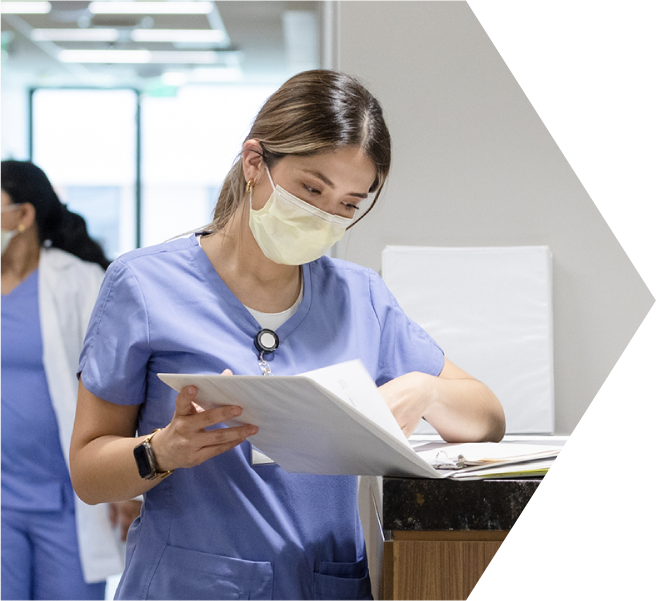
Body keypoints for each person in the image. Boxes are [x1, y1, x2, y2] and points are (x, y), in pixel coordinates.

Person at [70, 70, 506, 601]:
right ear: (256, 163)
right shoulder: (142, 285)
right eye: (311, 188)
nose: (325, 214)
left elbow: (488, 417)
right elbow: (89, 474)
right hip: (187, 585)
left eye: (348, 203)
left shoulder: (360, 297)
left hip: (325, 584)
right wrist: (164, 449)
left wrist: (427, 390)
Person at [0, 160, 137, 600]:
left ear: (23, 215)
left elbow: (117, 383)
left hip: (67, 501)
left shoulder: (79, 281)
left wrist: (124, 483)